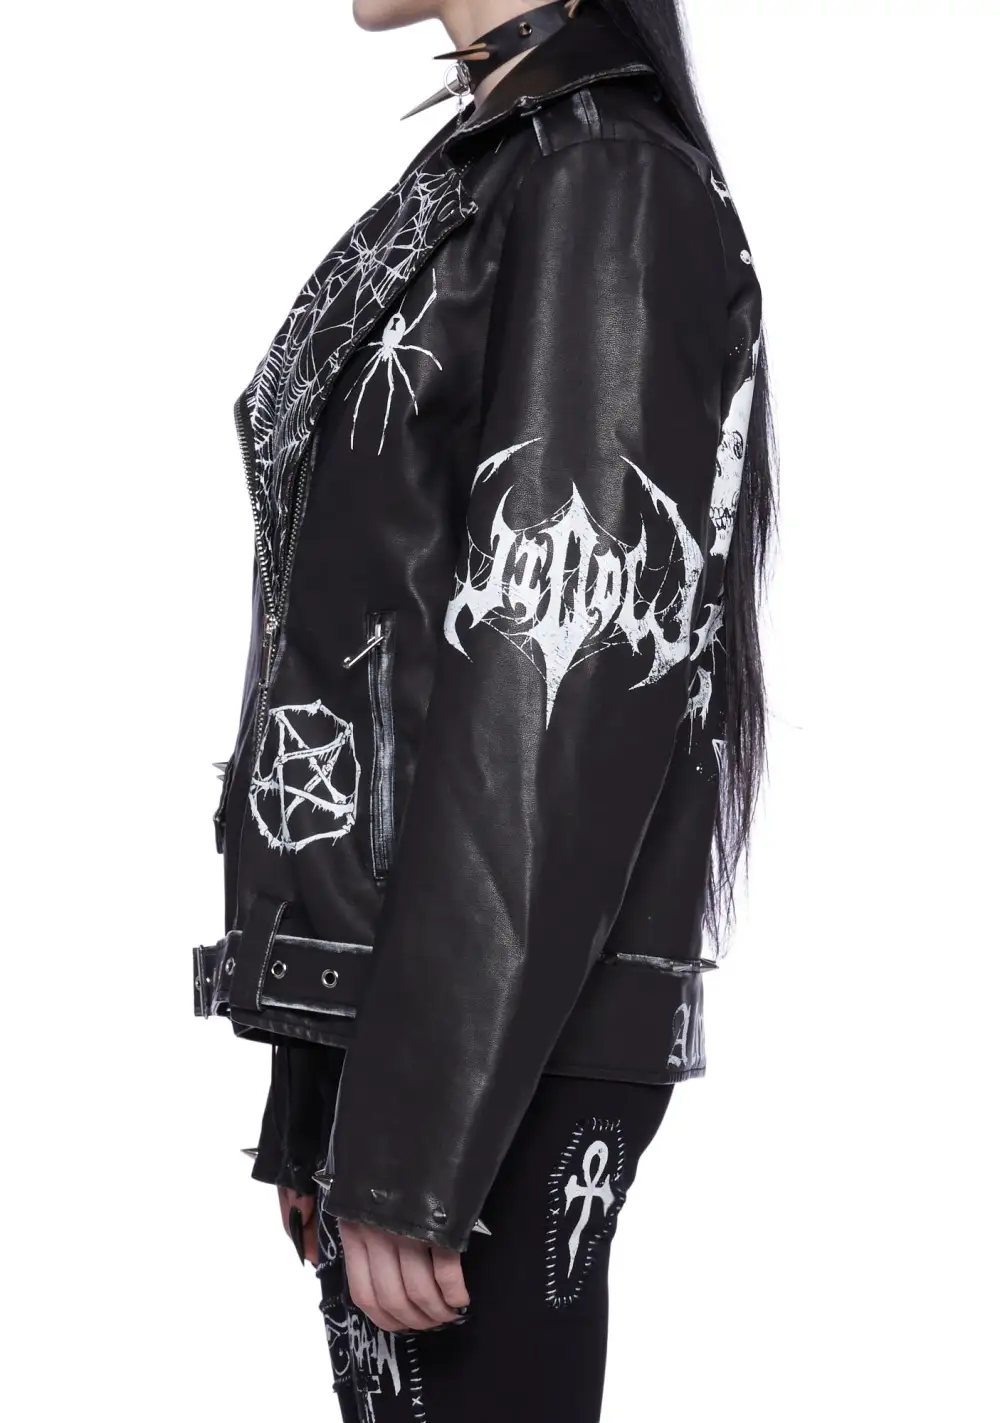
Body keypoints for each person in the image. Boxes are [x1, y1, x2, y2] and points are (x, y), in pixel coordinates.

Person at [192, 1, 776, 1417]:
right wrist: (316, 1077)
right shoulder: (506, 158)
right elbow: (366, 638)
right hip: (414, 1017)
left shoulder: (598, 175)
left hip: (491, 1041)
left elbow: (556, 689)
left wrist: (413, 1131)